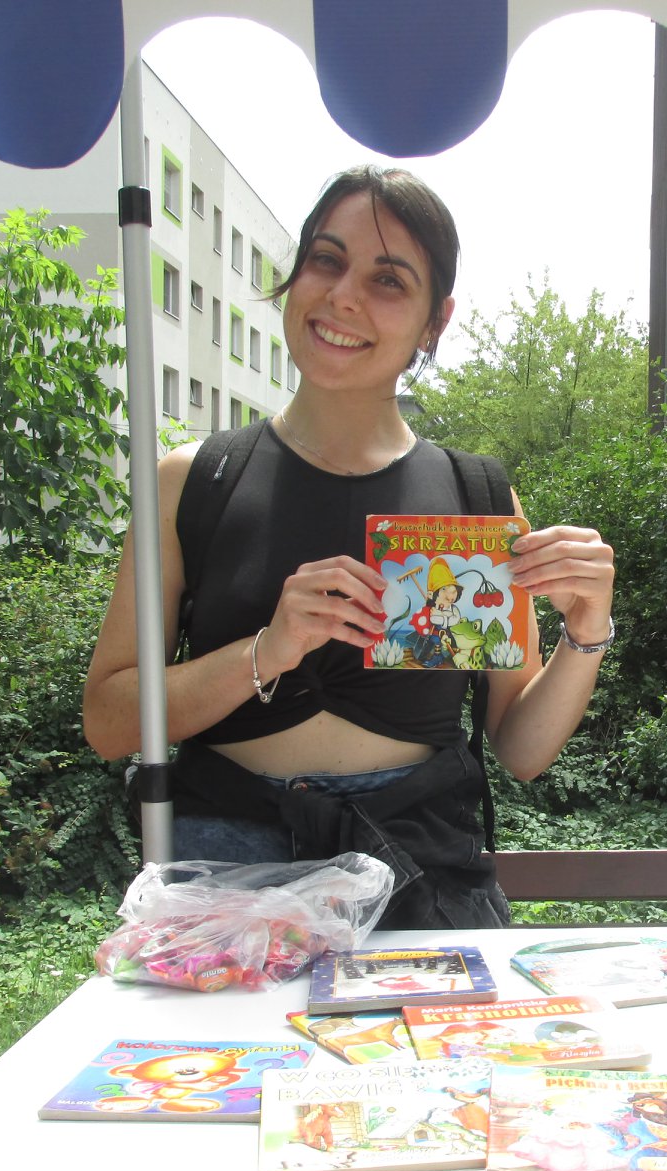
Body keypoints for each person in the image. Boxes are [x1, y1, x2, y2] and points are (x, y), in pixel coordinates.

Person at [82, 164, 615, 929]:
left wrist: (588, 629)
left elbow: (521, 749)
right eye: (325, 260)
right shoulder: (192, 481)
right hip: (229, 886)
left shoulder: (478, 497)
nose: (342, 296)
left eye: (388, 280)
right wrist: (265, 651)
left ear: (436, 320)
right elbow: (108, 722)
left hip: (419, 880)